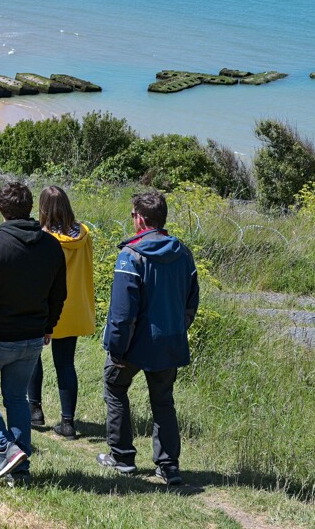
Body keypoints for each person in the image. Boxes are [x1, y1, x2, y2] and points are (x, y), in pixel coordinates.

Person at [0, 181, 67, 485]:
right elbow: (59, 295)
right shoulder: (51, 246)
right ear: (30, 208)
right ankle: (19, 470)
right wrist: (48, 327)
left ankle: (5, 447)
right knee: (17, 397)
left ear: (0, 208)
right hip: (32, 338)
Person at [97, 189, 200, 487]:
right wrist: (179, 328)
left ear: (140, 219)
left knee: (115, 387)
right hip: (169, 341)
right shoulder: (183, 253)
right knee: (163, 401)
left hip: (132, 344)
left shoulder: (131, 255)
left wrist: (116, 349)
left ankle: (122, 456)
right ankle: (169, 467)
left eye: (132, 216)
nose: (132, 220)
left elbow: (122, 312)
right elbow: (192, 301)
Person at [28, 185, 95, 439]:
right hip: (75, 308)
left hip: (45, 307)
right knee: (66, 364)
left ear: (42, 208)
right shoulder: (84, 234)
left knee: (33, 357)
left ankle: (35, 410)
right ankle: (68, 423)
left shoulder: (42, 238)